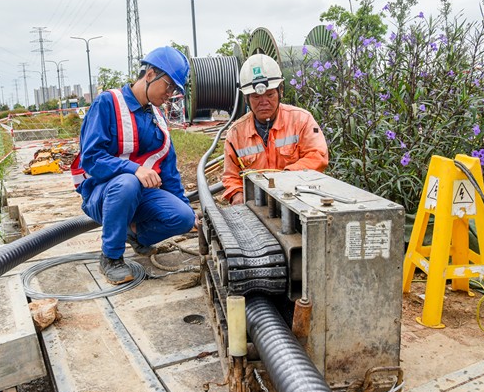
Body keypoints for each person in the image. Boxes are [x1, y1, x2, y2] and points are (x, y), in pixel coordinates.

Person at [71, 46, 197, 285]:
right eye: (168, 85)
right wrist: (134, 170)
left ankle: (133, 233)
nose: (170, 93)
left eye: (175, 89)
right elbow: (91, 158)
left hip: (139, 197)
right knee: (128, 182)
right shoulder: (108, 103)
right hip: (104, 195)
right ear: (150, 74)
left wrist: (188, 211)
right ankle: (111, 257)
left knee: (183, 217)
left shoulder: (156, 118)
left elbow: (168, 170)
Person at [222, 53, 329, 205]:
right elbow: (231, 177)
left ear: (281, 91)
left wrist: (285, 178)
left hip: (299, 199)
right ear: (246, 99)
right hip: (257, 204)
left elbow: (317, 156)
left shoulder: (302, 120)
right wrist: (237, 195)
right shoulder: (235, 134)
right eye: (256, 97)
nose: (264, 102)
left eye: (270, 94)